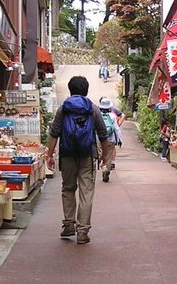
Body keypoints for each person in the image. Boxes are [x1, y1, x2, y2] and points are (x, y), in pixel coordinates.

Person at [45, 76, 108, 244]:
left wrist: (49, 155)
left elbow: (54, 133)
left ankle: (68, 225)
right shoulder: (92, 109)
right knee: (86, 192)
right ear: (86, 90)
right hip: (87, 154)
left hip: (67, 154)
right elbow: (103, 134)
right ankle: (82, 231)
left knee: (68, 189)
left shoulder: (63, 108)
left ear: (70, 89)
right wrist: (104, 155)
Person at [98, 97, 122, 182]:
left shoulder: (97, 115)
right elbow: (116, 128)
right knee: (108, 156)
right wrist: (119, 139)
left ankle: (103, 166)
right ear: (109, 107)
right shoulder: (112, 116)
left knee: (100, 153)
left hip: (99, 139)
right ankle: (106, 169)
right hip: (111, 139)